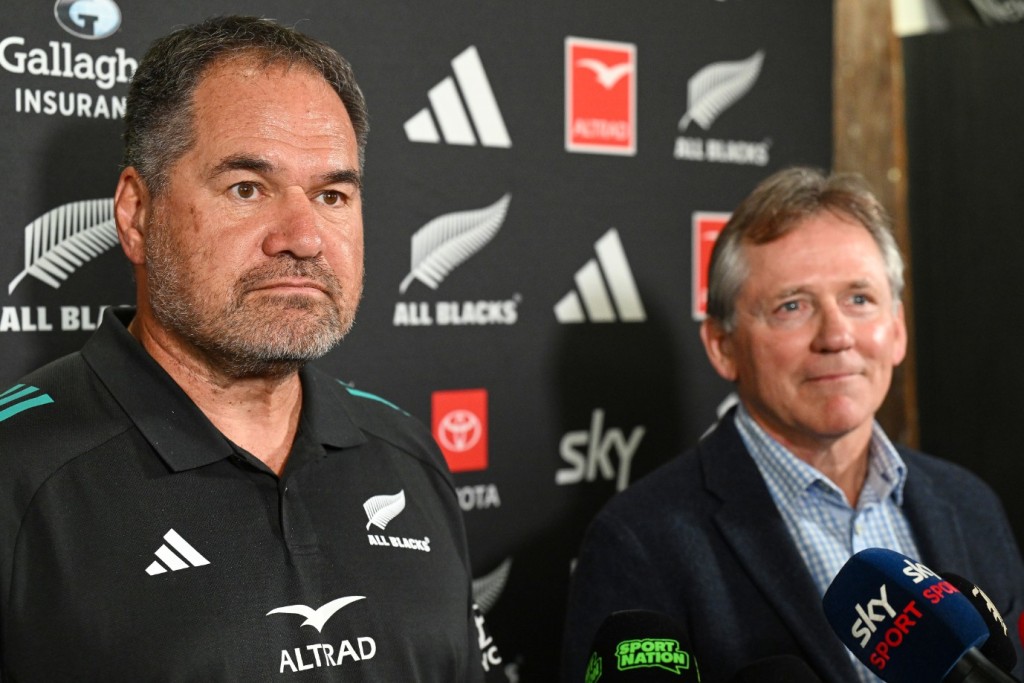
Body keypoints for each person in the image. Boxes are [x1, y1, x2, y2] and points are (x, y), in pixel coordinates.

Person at [0, 16, 490, 681]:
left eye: (332, 194)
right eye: (246, 189)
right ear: (136, 213)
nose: (303, 236)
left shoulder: (407, 452)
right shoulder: (19, 475)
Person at [560, 167, 1024, 682]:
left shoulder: (970, 505)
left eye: (859, 299)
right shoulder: (638, 542)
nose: (836, 335)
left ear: (897, 330)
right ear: (722, 346)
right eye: (792, 306)